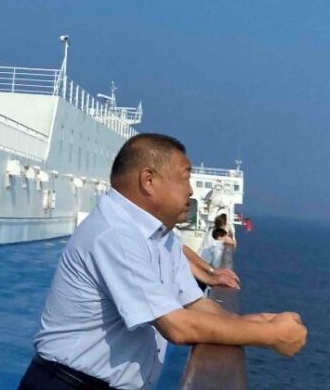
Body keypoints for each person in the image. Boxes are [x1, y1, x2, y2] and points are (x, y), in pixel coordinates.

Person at [19, 133, 306, 390]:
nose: (190, 191)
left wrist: (253, 321)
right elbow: (177, 326)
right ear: (149, 181)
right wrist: (270, 335)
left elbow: (195, 304)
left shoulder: (161, 237)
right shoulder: (114, 234)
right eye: (185, 178)